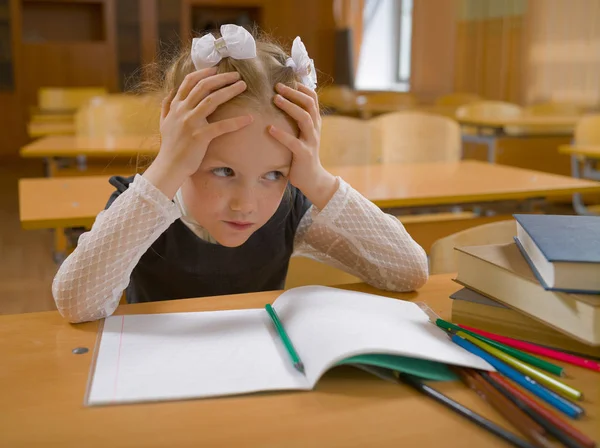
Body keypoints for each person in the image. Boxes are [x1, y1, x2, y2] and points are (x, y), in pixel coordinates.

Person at [52, 25, 428, 323]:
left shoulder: (290, 213)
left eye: (273, 175)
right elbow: (75, 304)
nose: (246, 205)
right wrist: (165, 169)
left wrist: (317, 180)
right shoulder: (141, 207)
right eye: (223, 170)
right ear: (179, 153)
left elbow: (408, 272)